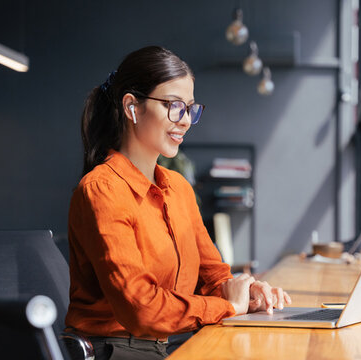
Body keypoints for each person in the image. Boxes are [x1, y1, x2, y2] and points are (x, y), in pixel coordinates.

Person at [65, 46, 291, 360]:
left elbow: (213, 278)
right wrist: (227, 306)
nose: (184, 121)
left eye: (189, 108)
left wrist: (248, 295)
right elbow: (140, 309)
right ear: (132, 107)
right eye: (173, 106)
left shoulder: (178, 189)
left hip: (170, 344)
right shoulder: (102, 190)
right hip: (115, 350)